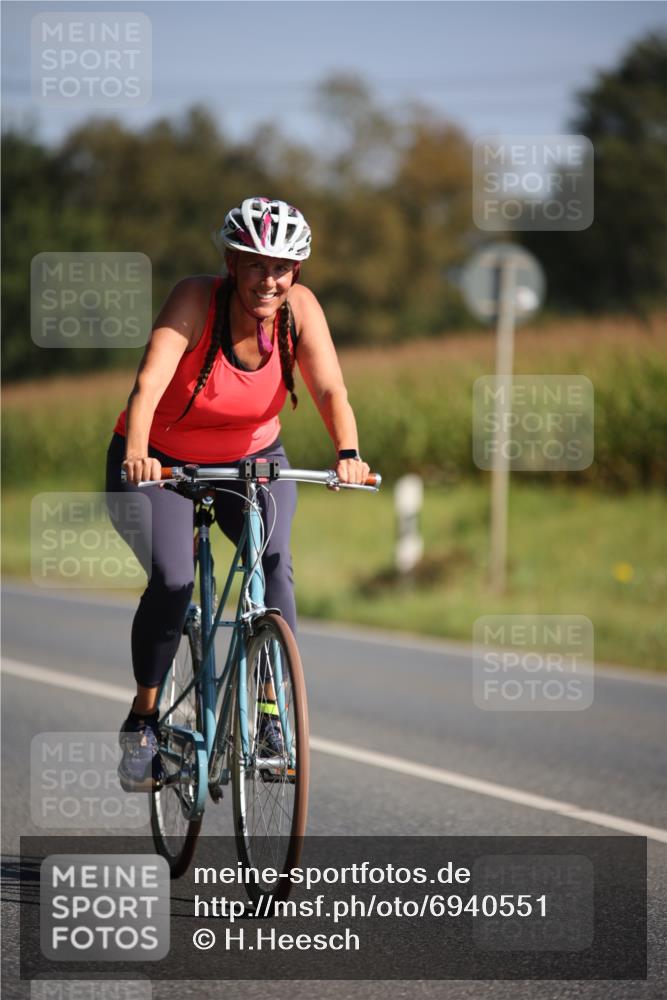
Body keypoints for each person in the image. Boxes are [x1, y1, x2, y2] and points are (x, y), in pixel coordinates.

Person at [106, 196, 370, 791]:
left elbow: (330, 389)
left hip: (253, 461)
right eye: (254, 263)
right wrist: (138, 453)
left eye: (281, 266)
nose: (268, 279)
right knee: (173, 578)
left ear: (296, 271)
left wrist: (348, 454)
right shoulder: (196, 300)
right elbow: (148, 381)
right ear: (231, 263)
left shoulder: (299, 311)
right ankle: (144, 718)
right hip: (162, 462)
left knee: (273, 560)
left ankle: (273, 713)